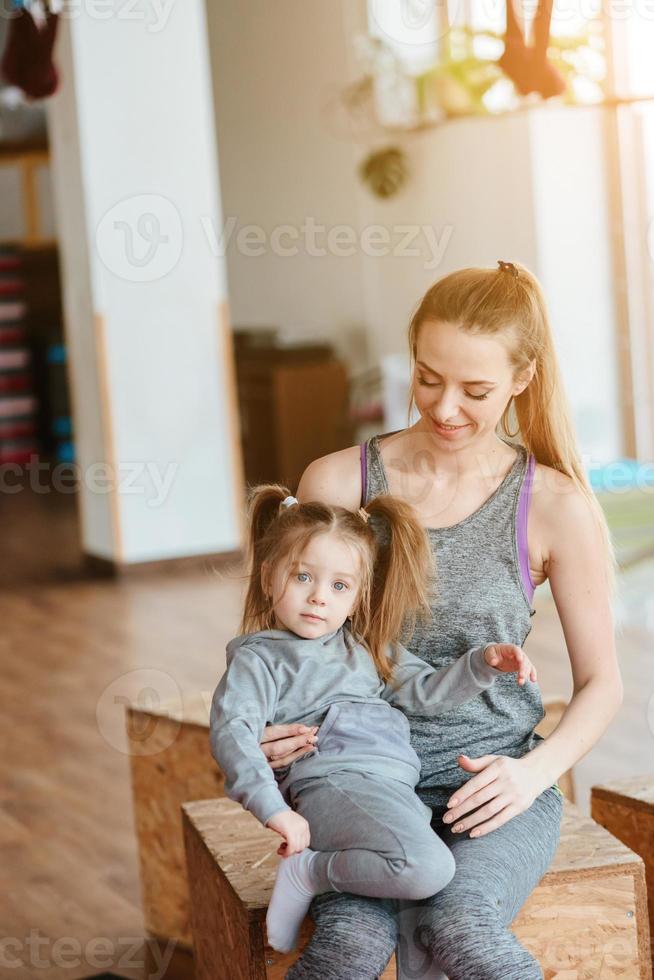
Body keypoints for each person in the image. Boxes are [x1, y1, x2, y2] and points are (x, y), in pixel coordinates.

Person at [260, 260, 624, 980]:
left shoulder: (552, 506)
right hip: (352, 774)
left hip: (491, 778)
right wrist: (271, 726)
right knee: (350, 945)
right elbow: (286, 642)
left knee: (456, 925)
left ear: (521, 379)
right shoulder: (337, 484)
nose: (445, 406)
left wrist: (532, 773)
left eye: (476, 389)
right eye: (429, 377)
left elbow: (603, 683)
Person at [209, 485, 538, 954]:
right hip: (333, 783)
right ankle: (309, 872)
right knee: (429, 869)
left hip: (394, 788)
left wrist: (484, 662)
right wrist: (273, 807)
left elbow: (424, 693)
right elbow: (233, 732)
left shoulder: (365, 646)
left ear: (358, 596)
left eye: (339, 585)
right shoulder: (260, 660)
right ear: (267, 577)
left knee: (429, 905)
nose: (319, 597)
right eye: (303, 577)